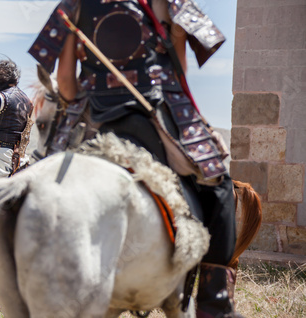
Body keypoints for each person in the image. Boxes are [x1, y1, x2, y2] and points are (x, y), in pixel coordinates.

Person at [29, 1, 241, 317]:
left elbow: (68, 88)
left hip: (93, 120)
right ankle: (215, 300)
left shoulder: (74, 4)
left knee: (42, 179)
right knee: (220, 186)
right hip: (153, 116)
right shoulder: (168, 4)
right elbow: (178, 73)